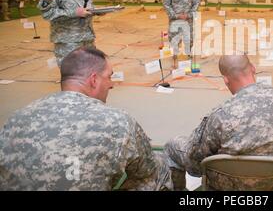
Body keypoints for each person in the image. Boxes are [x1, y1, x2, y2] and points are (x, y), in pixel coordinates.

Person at [0, 47, 172, 191]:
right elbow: (146, 168)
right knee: (159, 168)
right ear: (94, 80)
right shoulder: (117, 121)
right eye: (109, 76)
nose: (111, 84)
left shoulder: (17, 118)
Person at [164, 54, 273, 190]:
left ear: (225, 80)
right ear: (253, 68)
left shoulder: (221, 115)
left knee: (172, 146)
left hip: (228, 186)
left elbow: (195, 163)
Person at [163, 0, 200, 69]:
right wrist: (176, 15)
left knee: (190, 39)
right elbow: (166, 5)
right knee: (174, 40)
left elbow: (196, 3)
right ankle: (174, 57)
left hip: (188, 21)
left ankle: (189, 56)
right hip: (175, 21)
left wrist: (189, 15)